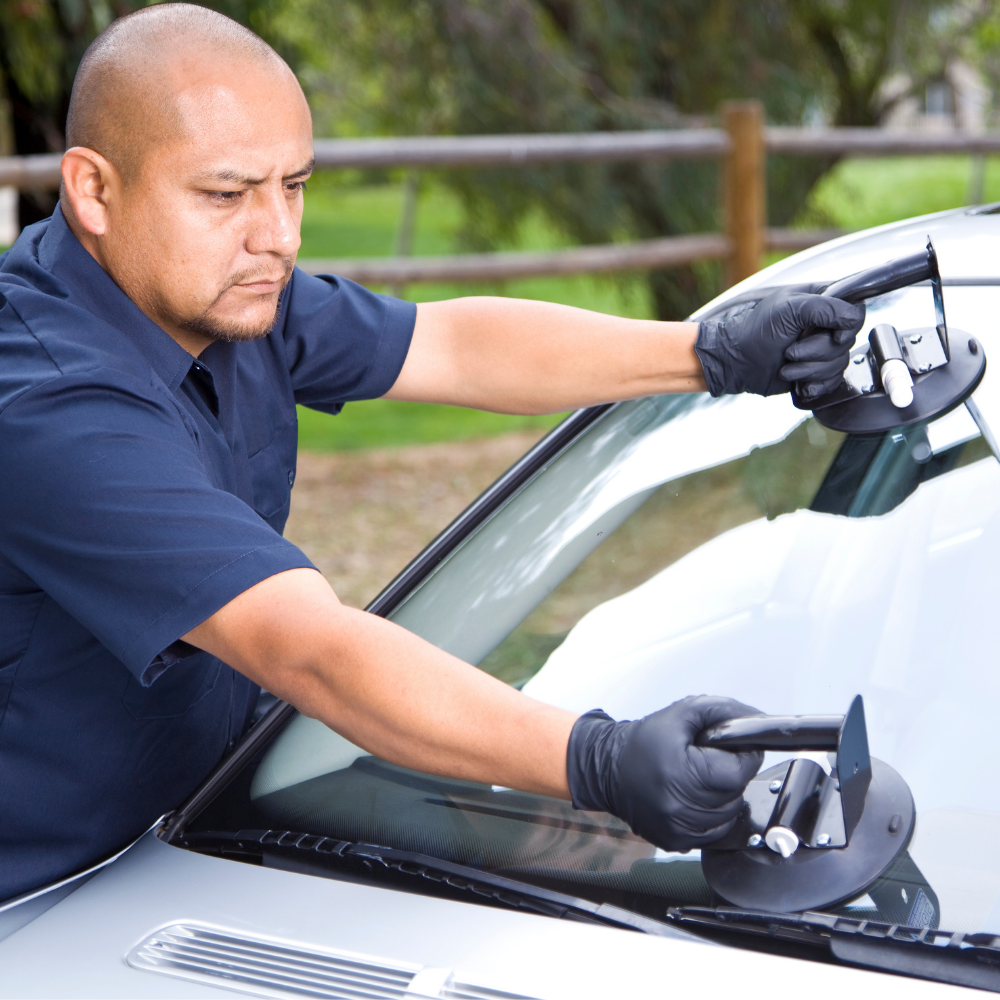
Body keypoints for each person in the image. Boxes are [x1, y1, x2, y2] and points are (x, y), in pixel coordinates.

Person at [0, 3, 865, 902]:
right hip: (42, 898)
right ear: (93, 190)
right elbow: (308, 649)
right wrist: (598, 759)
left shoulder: (222, 290)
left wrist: (711, 353)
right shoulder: (46, 403)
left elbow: (451, 346)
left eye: (292, 185)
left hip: (199, 818)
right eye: (226, 194)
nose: (279, 235)